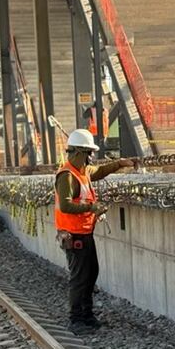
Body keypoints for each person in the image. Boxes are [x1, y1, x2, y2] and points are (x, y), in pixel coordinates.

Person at [54, 129, 135, 334]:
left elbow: (99, 171)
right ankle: (76, 320)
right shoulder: (67, 176)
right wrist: (92, 208)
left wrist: (119, 164)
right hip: (74, 235)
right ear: (78, 153)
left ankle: (87, 316)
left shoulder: (82, 171)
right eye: (88, 153)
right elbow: (65, 206)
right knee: (79, 278)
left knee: (91, 274)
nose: (91, 157)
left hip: (84, 233)